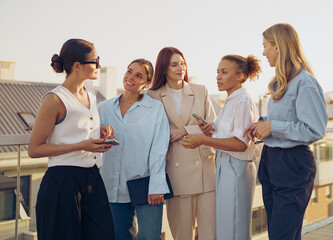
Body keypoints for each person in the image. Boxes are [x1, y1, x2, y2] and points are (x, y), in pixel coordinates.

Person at [244, 23, 328, 240]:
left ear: (278, 46)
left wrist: (272, 127)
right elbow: (285, 121)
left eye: (265, 46)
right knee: (280, 235)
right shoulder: (279, 83)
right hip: (272, 161)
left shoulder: (305, 83)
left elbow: (314, 129)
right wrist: (262, 124)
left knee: (282, 236)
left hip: (293, 164)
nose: (263, 52)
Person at [28, 39, 116, 240]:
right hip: (63, 183)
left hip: (92, 178)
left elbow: (74, 127)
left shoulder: (90, 93)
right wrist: (81, 145)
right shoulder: (54, 99)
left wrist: (99, 131)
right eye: (95, 61)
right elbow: (34, 149)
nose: (99, 66)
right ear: (77, 66)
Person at [181, 54, 261, 240]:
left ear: (240, 76)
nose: (218, 77)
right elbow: (228, 137)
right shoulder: (231, 101)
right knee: (226, 227)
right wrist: (211, 131)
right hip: (225, 166)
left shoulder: (242, 101)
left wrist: (202, 140)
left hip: (236, 168)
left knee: (234, 229)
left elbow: (240, 144)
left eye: (224, 72)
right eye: (217, 72)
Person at [147, 47, 216, 240]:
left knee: (211, 234)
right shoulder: (152, 95)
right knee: (182, 235)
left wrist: (184, 130)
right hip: (175, 172)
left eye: (183, 63)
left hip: (205, 170)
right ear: (163, 68)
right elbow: (154, 134)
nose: (180, 68)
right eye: (174, 64)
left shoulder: (200, 90)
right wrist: (189, 130)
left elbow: (212, 127)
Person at [98, 58, 170, 240]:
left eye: (138, 76)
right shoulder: (103, 108)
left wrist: (156, 186)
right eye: (129, 71)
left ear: (146, 84)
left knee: (149, 237)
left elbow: (159, 149)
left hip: (146, 187)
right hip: (112, 187)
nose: (131, 77)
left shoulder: (155, 109)